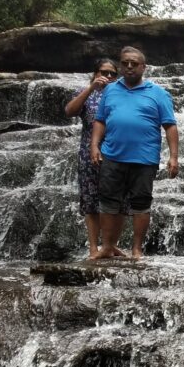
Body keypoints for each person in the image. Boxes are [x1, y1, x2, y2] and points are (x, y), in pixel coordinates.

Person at [90, 46, 179, 260]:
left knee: (141, 204)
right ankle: (108, 247)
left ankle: (136, 250)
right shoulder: (110, 90)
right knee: (108, 202)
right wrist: (94, 145)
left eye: (135, 64)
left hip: (144, 158)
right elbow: (100, 120)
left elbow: (170, 126)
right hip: (112, 155)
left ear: (143, 67)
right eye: (125, 63)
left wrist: (173, 157)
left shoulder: (158, 93)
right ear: (120, 65)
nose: (129, 67)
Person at [64, 57, 120, 257]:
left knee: (114, 202)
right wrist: (90, 88)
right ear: (95, 74)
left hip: (118, 154)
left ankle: (110, 245)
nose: (108, 76)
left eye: (112, 73)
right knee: (91, 202)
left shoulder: (121, 94)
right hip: (90, 155)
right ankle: (93, 248)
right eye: (104, 72)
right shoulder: (88, 94)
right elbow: (70, 111)